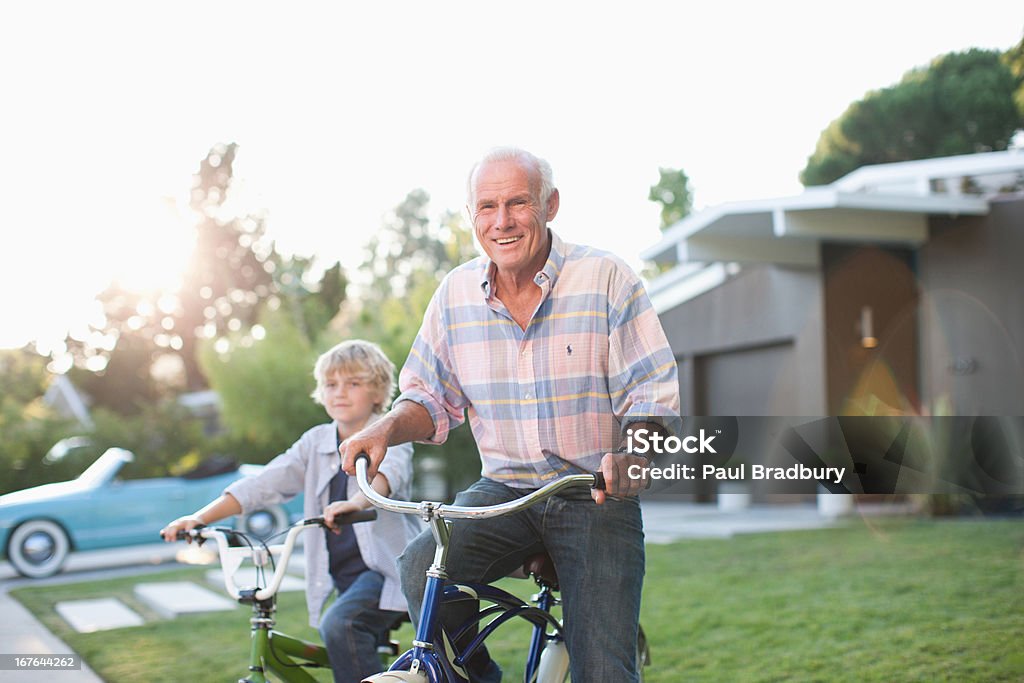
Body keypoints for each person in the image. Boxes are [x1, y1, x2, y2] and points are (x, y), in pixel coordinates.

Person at [340, 147, 680, 682]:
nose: (502, 221)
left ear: (551, 205)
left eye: (518, 203)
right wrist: (384, 426)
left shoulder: (606, 277)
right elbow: (428, 396)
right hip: (503, 491)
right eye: (487, 207)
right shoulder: (455, 294)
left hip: (591, 492)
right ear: (472, 216)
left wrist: (635, 454)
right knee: (420, 568)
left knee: (605, 671)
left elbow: (651, 394)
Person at [161, 340, 420, 683]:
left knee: (341, 626)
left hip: (390, 571)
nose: (339, 392)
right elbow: (266, 481)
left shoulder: (390, 433)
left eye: (353, 383)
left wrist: (355, 503)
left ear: (378, 392)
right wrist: (200, 517)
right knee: (346, 637)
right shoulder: (315, 442)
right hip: (346, 575)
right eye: (331, 384)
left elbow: (388, 476)